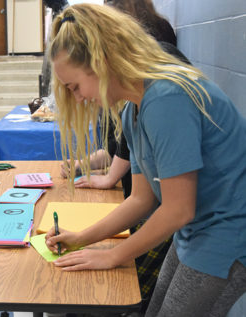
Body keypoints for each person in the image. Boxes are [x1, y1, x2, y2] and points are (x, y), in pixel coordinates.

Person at [45, 4, 246, 316]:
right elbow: (141, 199)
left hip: (229, 232)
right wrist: (81, 239)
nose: (78, 98)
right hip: (197, 228)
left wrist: (113, 256)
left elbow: (178, 209)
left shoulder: (167, 98)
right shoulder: (131, 108)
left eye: (75, 87)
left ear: (102, 62)